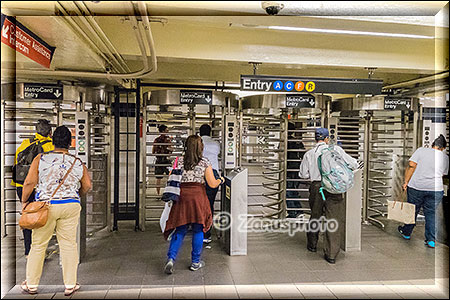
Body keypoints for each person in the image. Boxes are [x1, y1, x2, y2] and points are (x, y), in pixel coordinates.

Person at [20, 126, 92, 296]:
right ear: (70, 143)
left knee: (38, 244)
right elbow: (87, 185)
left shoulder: (41, 158)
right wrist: (76, 195)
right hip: (70, 205)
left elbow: (29, 183)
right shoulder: (77, 162)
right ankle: (70, 284)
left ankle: (31, 284)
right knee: (68, 244)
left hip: (46, 206)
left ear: (53, 141)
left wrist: (24, 202)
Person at [163, 135, 224, 274]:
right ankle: (195, 262)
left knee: (180, 229)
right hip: (198, 198)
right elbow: (212, 184)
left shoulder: (178, 161)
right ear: (200, 147)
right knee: (198, 229)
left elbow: (171, 178)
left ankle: (171, 259)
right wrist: (220, 180)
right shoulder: (204, 162)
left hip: (182, 197)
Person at [299, 128, 358, 264]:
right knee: (333, 219)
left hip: (317, 187)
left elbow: (303, 174)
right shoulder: (336, 150)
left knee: (315, 215)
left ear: (315, 139)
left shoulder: (309, 153)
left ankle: (312, 245)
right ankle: (331, 254)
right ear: (327, 139)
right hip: (334, 187)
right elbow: (353, 164)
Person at [12, 119, 54, 257]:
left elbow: (16, 165)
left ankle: (28, 249)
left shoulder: (25, 143)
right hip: (38, 186)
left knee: (28, 215)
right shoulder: (50, 147)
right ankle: (39, 250)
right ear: (49, 132)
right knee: (42, 216)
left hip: (21, 186)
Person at [398, 134, 449, 248]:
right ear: (443, 148)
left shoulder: (421, 151)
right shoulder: (445, 158)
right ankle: (431, 239)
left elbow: (411, 165)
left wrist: (406, 182)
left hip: (417, 186)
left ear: (432, 145)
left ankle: (406, 232)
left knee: (412, 211)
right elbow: (444, 173)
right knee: (430, 213)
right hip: (435, 189)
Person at [199, 124, 221, 243]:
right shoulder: (215, 143)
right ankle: (207, 232)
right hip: (213, 174)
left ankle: (198, 228)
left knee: (198, 203)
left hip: (199, 174)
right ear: (210, 132)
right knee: (209, 204)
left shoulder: (196, 143)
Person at [286, 122, 305, 219]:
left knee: (288, 191)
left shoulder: (286, 142)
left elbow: (283, 157)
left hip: (288, 170)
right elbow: (303, 155)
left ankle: (293, 212)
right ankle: (299, 210)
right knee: (294, 191)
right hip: (297, 170)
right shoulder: (298, 142)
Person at [153, 125, 173, 195]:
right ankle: (169, 192)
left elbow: (153, 151)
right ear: (163, 131)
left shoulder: (156, 140)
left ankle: (158, 194)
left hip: (158, 160)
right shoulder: (167, 140)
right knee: (170, 177)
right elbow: (171, 149)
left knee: (158, 179)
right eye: (167, 131)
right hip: (166, 160)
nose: (168, 132)